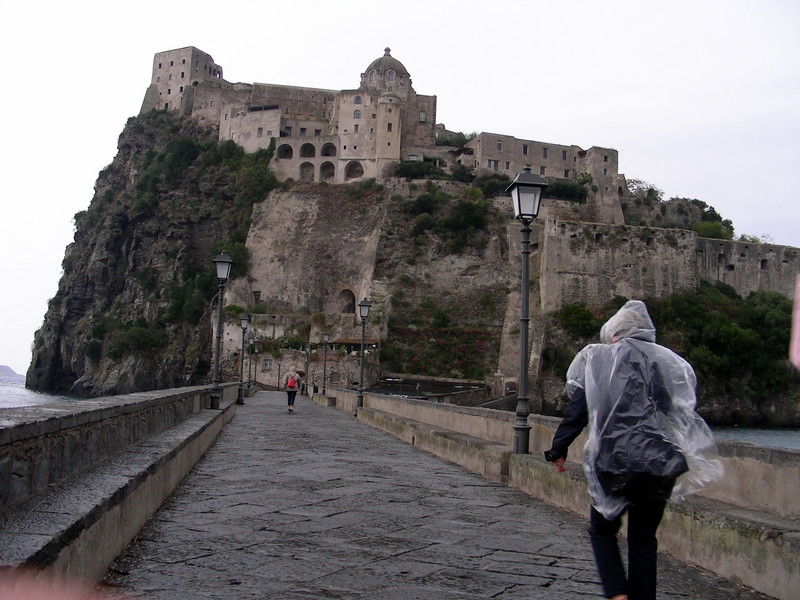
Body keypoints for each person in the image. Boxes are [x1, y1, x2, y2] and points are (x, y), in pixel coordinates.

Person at [545, 300, 723, 600]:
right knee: (643, 540)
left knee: (602, 531)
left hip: (613, 462)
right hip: (658, 464)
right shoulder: (659, 363)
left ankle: (617, 593)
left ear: (613, 334)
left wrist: (558, 449)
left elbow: (577, 411)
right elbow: (674, 413)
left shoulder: (599, 359)